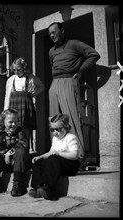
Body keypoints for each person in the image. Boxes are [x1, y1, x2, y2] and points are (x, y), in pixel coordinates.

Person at [48, 22, 100, 159]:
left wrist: (80, 70)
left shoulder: (74, 44)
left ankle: (78, 156)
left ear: (62, 31)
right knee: (53, 119)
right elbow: (52, 66)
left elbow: (94, 55)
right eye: (50, 34)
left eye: (54, 32)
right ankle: (57, 154)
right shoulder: (51, 51)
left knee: (71, 118)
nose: (52, 35)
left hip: (68, 81)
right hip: (54, 84)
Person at [28, 113, 81, 200]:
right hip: (57, 165)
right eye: (52, 130)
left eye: (58, 129)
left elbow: (74, 155)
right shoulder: (55, 139)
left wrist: (59, 153)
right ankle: (37, 187)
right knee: (38, 162)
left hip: (71, 165)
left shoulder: (71, 137)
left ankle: (48, 188)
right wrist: (40, 157)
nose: (55, 133)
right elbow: (51, 152)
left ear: (66, 127)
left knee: (53, 159)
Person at [0, 108, 31, 197]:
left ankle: (17, 184)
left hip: (19, 163)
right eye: (10, 122)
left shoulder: (21, 132)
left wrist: (10, 153)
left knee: (21, 151)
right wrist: (5, 154)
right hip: (7, 163)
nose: (13, 124)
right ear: (3, 122)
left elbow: (23, 144)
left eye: (16, 121)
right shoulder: (0, 134)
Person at [4, 57, 44, 153]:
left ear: (24, 68)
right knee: (14, 126)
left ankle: (28, 148)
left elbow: (41, 86)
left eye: (19, 70)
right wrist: (6, 109)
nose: (16, 72)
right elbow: (7, 95)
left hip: (26, 105)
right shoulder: (11, 80)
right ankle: (14, 149)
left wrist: (34, 93)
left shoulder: (31, 78)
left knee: (26, 127)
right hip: (14, 105)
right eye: (14, 70)